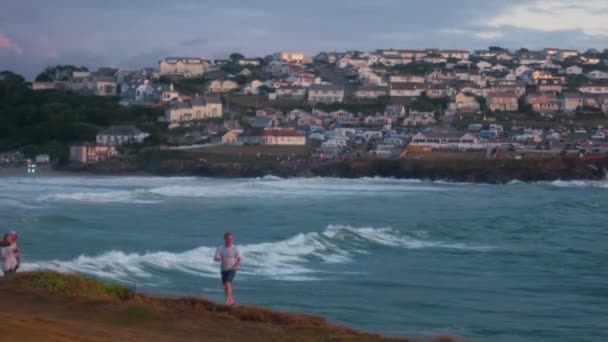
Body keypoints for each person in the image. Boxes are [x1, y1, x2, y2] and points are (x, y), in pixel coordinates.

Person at [213, 232, 241, 305]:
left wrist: (235, 266)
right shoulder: (220, 248)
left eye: (231, 239)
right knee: (226, 286)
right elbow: (215, 258)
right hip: (223, 269)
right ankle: (231, 300)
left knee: (228, 283)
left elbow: (239, 259)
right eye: (228, 239)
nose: (230, 240)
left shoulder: (235, 248)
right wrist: (219, 259)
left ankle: (228, 301)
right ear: (225, 239)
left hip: (232, 268)